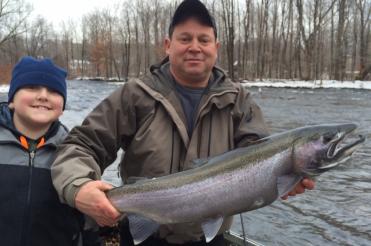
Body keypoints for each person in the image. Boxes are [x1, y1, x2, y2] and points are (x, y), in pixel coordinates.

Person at [51, 0, 315, 245]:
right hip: (146, 236)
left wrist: (283, 178)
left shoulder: (238, 101)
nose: (195, 47)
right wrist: (79, 187)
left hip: (211, 238)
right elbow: (82, 145)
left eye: (204, 39)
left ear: (216, 48)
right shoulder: (136, 95)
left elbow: (258, 155)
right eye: (185, 38)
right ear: (168, 45)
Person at [0, 56, 86, 245]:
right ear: (11, 99)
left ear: (62, 107)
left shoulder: (74, 152)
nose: (43, 95)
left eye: (54, 91)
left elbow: (86, 222)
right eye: (32, 87)